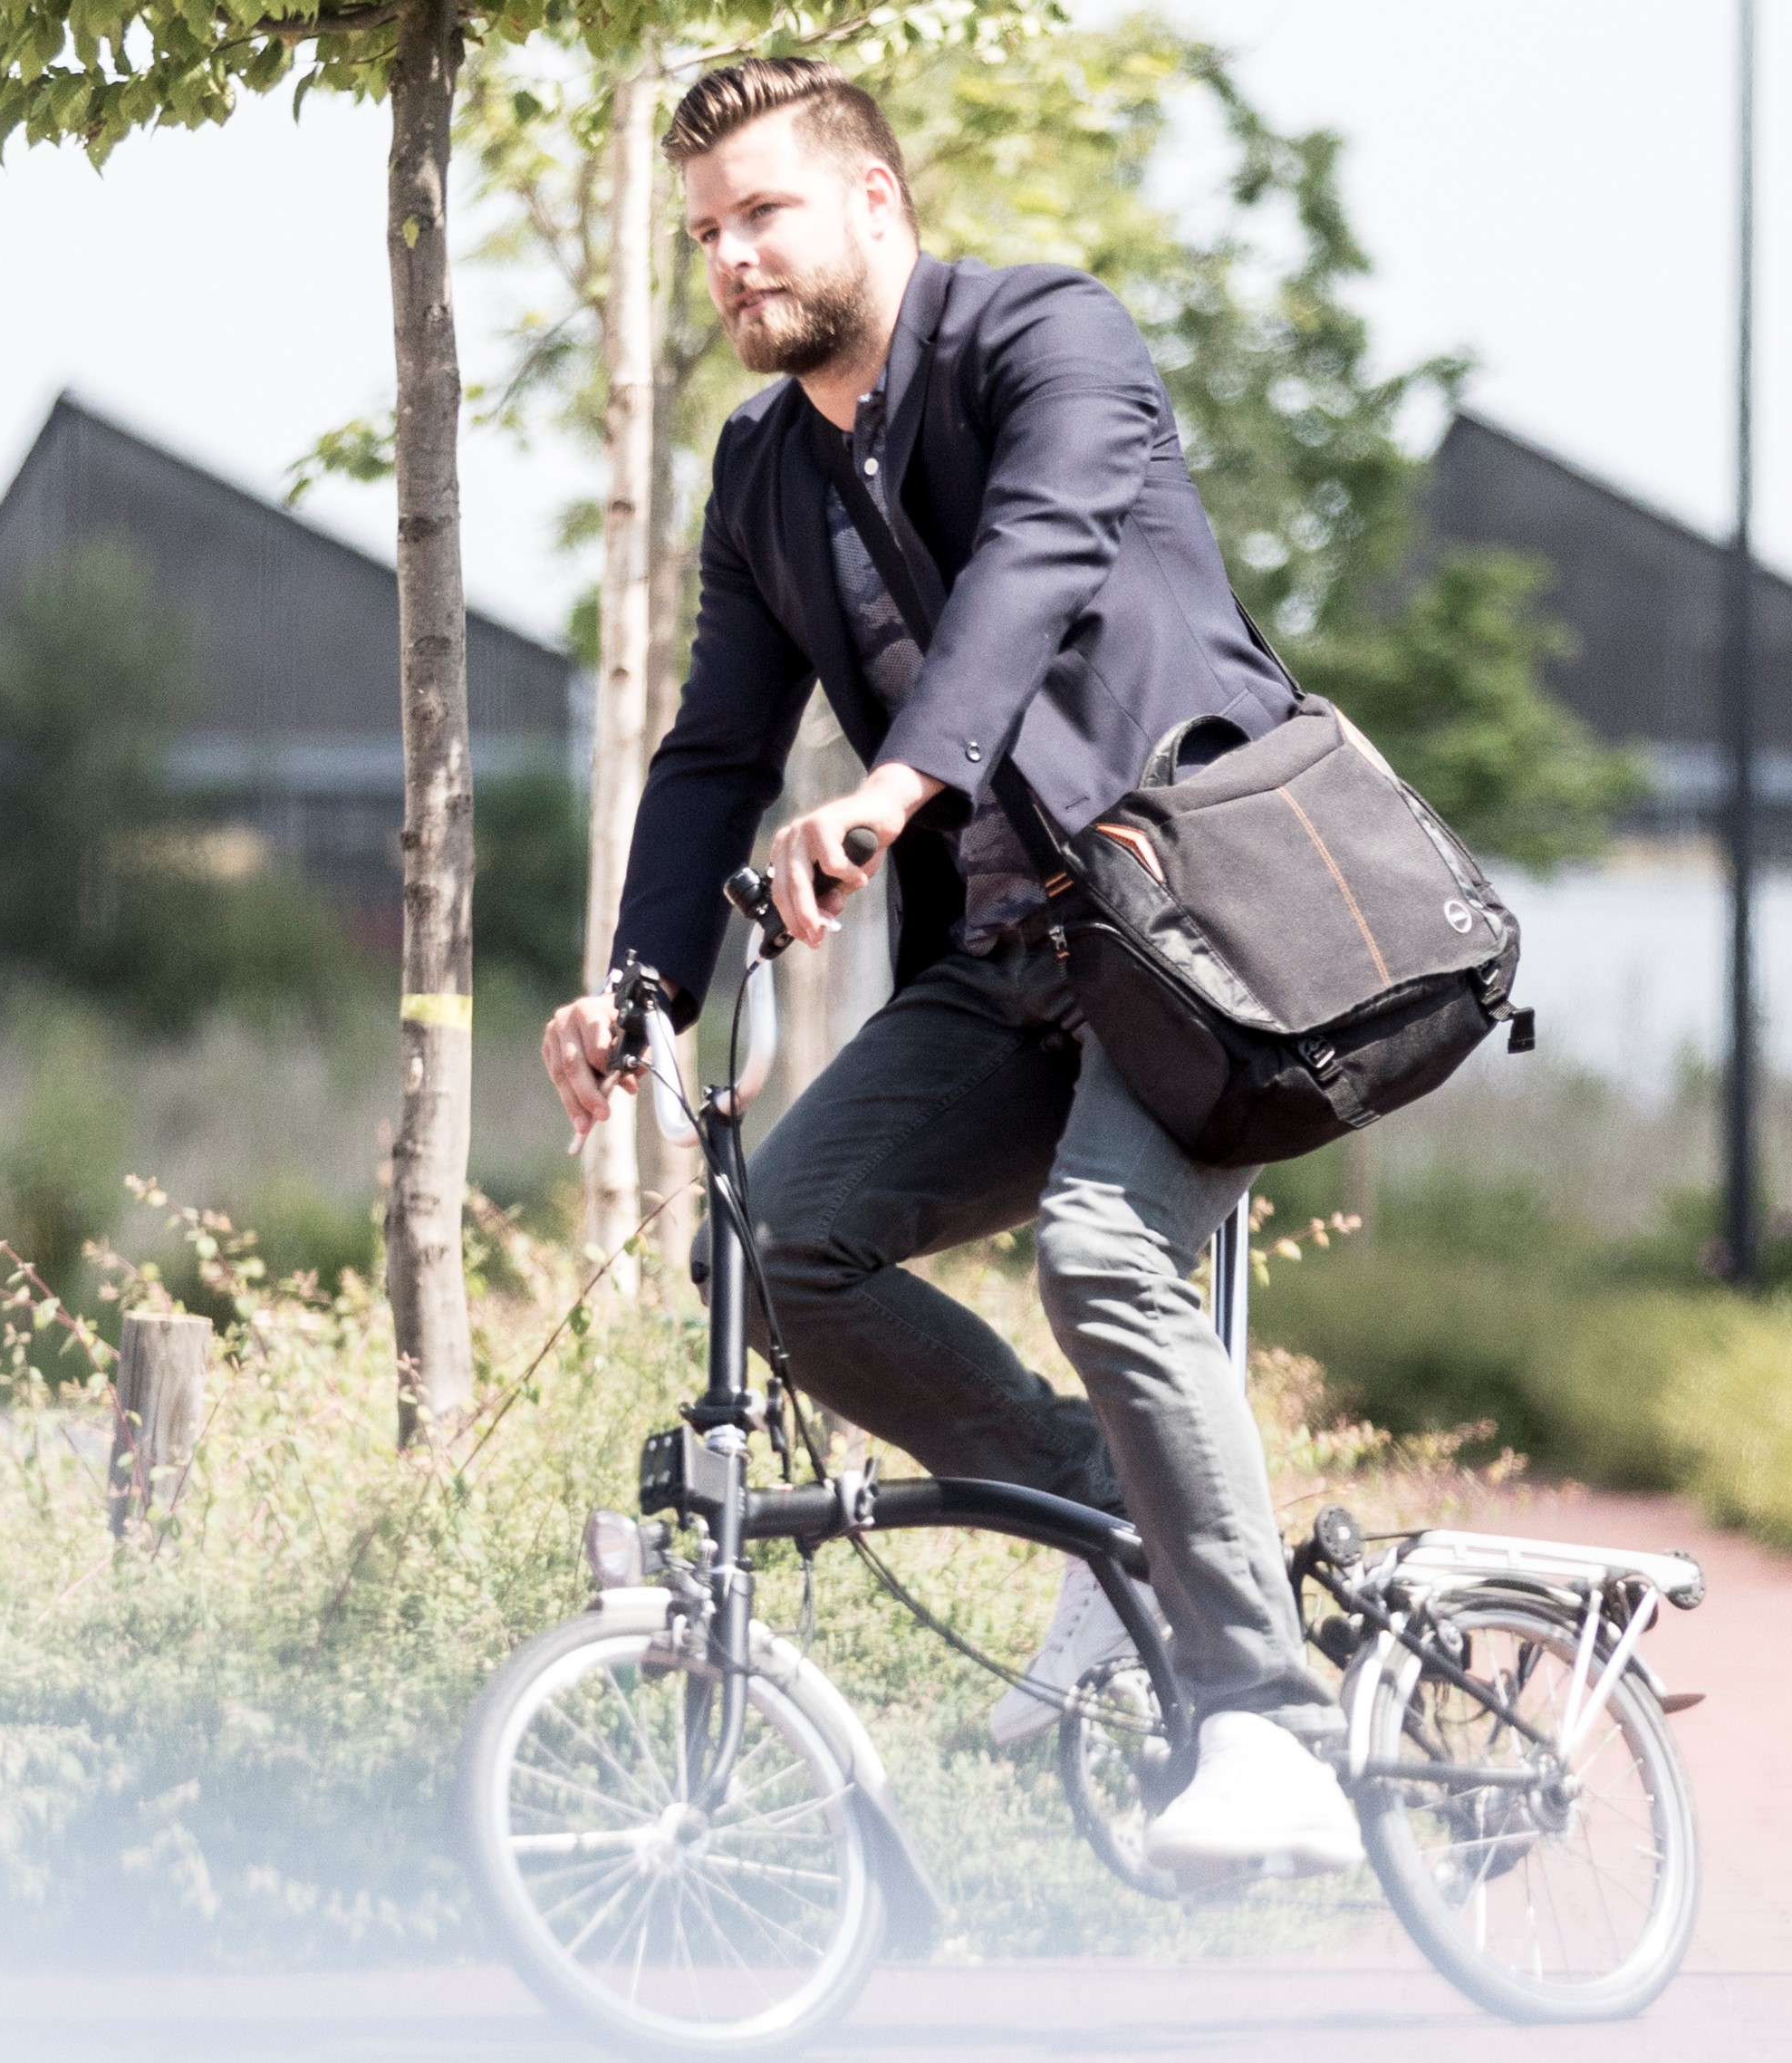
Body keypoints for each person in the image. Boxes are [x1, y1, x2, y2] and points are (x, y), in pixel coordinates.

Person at [540, 56, 1356, 1879]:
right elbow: (709, 752)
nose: (730, 258)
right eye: (704, 235)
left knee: (1099, 1244)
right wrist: (640, 988)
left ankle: (1273, 1732)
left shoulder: (1047, 337)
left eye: (763, 214)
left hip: (1196, 931)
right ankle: (1109, 1510)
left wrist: (898, 781)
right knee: (774, 1245)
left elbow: (1041, 563)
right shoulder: (759, 474)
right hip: (1008, 965)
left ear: (875, 208)